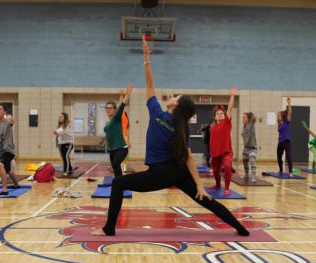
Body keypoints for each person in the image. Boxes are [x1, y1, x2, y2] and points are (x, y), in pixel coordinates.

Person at [89, 36, 249, 237]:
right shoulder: (181, 128)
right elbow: (189, 158)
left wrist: (146, 57)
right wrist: (199, 185)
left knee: (118, 183)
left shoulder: (157, 112)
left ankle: (108, 228)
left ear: (176, 105)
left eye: (175, 97)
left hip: (159, 174)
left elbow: (149, 81)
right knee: (207, 201)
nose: (172, 97)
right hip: (180, 173)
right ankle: (241, 229)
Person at [208, 87, 236, 195]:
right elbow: (212, 143)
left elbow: (230, 109)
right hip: (215, 154)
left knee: (228, 166)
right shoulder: (213, 128)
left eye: (221, 113)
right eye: (217, 114)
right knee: (215, 171)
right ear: (215, 117)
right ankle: (218, 184)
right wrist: (212, 155)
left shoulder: (227, 124)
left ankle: (227, 188)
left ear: (224, 116)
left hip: (226, 152)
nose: (220, 115)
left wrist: (232, 96)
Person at [104, 84, 132, 178]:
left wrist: (127, 95)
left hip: (121, 147)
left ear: (114, 110)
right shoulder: (107, 122)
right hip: (112, 149)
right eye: (107, 108)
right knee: (115, 167)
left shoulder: (117, 118)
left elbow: (122, 106)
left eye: (110, 108)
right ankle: (117, 184)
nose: (108, 109)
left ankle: (119, 184)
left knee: (116, 163)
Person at [0, 103, 20, 195]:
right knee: (8, 169)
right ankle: (16, 184)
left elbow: (12, 122)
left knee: (0, 165)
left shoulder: (6, 122)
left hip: (9, 150)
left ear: (4, 112)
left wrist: (10, 117)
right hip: (2, 151)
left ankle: (4, 189)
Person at [239, 112, 258, 182]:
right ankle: (246, 175)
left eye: (244, 117)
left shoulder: (251, 126)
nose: (243, 119)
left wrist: (253, 118)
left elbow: (253, 121)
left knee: (252, 160)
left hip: (253, 148)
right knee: (245, 162)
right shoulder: (245, 127)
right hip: (246, 149)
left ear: (248, 119)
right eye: (242, 117)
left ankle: (253, 178)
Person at [277, 98, 293, 177]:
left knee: (289, 156)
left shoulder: (287, 122)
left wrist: (289, 103)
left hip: (286, 141)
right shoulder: (280, 124)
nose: (278, 116)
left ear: (283, 116)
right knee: (279, 156)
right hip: (280, 142)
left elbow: (290, 113)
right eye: (278, 115)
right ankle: (280, 170)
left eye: (279, 115)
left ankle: (290, 172)